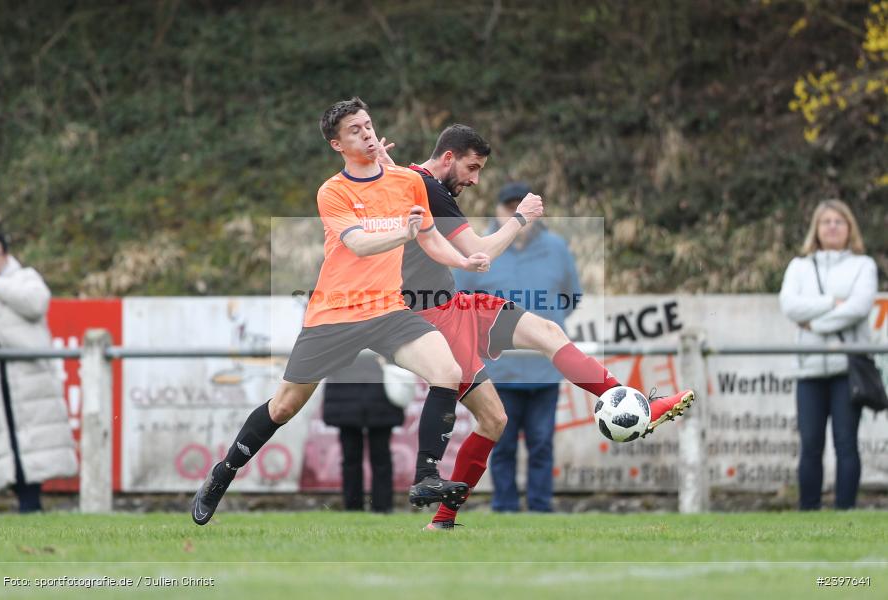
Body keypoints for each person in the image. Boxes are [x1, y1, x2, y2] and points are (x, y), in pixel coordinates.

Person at [191, 98, 492, 525]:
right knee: (283, 407)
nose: (367, 134)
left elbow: (427, 237)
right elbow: (359, 244)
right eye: (355, 130)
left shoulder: (407, 181)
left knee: (447, 370)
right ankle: (223, 473)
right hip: (335, 313)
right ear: (338, 144)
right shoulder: (333, 191)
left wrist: (463, 262)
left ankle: (426, 475)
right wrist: (399, 232)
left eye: (368, 126)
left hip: (388, 308)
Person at [379, 124, 695, 529]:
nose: (475, 179)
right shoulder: (429, 188)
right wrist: (519, 219)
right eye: (471, 168)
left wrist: (381, 167)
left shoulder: (411, 181)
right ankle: (441, 519)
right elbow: (477, 251)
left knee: (545, 338)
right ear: (447, 158)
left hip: (455, 306)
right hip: (433, 321)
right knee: (494, 420)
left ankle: (632, 401)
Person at [454, 182, 580, 513]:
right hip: (499, 370)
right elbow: (458, 299)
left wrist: (542, 332)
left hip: (544, 369)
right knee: (502, 441)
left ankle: (540, 508)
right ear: (498, 211)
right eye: (508, 206)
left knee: (541, 443)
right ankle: (505, 507)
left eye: (519, 206)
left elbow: (571, 296)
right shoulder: (481, 248)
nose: (514, 212)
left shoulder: (557, 248)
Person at [778, 199, 877, 511]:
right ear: (816, 230)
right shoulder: (799, 266)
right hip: (809, 371)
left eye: (839, 221)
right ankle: (808, 512)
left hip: (847, 369)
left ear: (850, 228)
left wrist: (813, 323)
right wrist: (833, 303)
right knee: (810, 446)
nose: (832, 227)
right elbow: (790, 306)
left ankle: (845, 511)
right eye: (826, 222)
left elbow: (859, 307)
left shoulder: (864, 266)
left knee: (846, 444)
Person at [0, 229, 78, 513]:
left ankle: (31, 505)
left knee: (33, 447)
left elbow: (36, 303)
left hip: (29, 380)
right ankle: (25, 506)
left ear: (6, 254)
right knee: (6, 450)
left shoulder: (24, 278)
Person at [322, 354, 403, 513]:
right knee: (380, 458)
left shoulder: (337, 332)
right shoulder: (383, 331)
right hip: (378, 395)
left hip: (347, 395)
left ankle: (354, 507)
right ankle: (382, 507)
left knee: (352, 459)